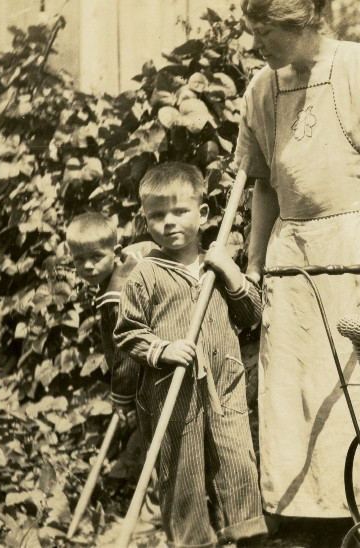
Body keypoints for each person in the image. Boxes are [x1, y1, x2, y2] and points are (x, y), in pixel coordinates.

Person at [235, 0, 360, 522]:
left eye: (267, 31)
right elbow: (264, 187)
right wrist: (254, 265)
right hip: (295, 262)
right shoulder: (263, 90)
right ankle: (312, 517)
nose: (259, 44)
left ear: (299, 22)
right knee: (296, 393)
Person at [113, 162, 267, 547]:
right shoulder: (146, 274)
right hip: (171, 390)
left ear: (202, 214)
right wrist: (163, 349)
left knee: (238, 463)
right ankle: (192, 541)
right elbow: (127, 333)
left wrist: (233, 276)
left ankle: (248, 537)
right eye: (157, 215)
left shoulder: (217, 266)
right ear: (145, 221)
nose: (169, 223)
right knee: (181, 474)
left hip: (225, 383)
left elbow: (253, 315)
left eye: (179, 211)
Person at [65, 213, 161, 522]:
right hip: (163, 350)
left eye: (96, 257)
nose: (88, 266)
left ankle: (154, 508)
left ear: (115, 253)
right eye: (79, 260)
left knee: (154, 439)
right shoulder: (134, 257)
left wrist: (121, 398)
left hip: (149, 368)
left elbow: (123, 355)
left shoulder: (113, 297)